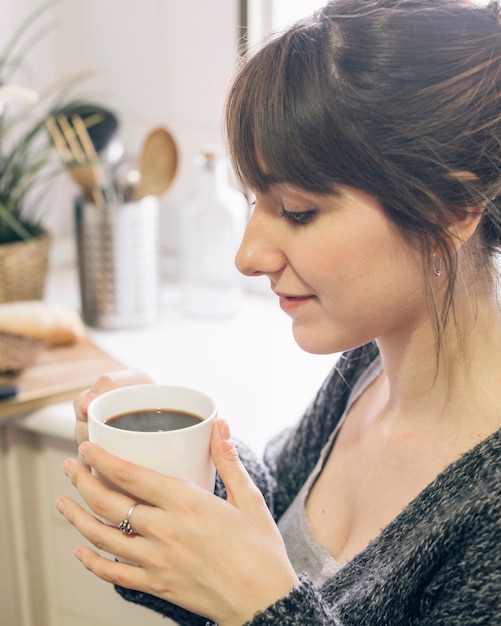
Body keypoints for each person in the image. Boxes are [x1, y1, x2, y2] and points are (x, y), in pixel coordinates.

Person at [57, 1, 501, 624]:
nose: (247, 256)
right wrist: (183, 468)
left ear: (450, 210)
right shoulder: (366, 369)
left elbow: (270, 590)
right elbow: (274, 518)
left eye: (297, 211)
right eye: (253, 202)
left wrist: (264, 608)